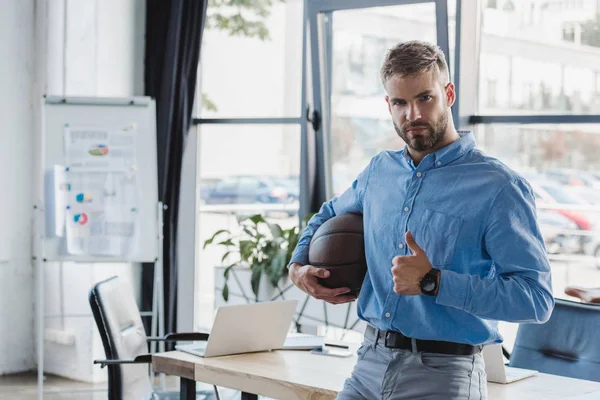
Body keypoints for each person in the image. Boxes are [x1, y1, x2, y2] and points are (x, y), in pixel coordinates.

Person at [288, 40, 554, 400]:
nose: (412, 114)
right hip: (368, 363)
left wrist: (433, 281)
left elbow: (536, 299)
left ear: (448, 93)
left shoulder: (499, 187)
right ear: (388, 104)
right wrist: (299, 265)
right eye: (400, 102)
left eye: (424, 98)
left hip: (445, 377)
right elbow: (329, 213)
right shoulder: (379, 171)